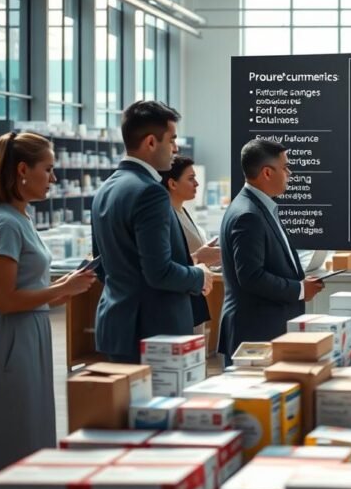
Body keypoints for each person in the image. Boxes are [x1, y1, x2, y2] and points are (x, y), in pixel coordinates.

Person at [0, 131, 97, 472]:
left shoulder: (20, 218)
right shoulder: (3, 223)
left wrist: (64, 288)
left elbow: (26, 288)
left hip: (29, 333)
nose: (54, 178)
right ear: (23, 170)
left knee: (32, 425)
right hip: (11, 339)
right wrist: (58, 289)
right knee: (14, 433)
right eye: (48, 169)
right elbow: (5, 300)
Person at [92, 101, 212, 363]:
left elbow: (100, 267)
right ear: (150, 142)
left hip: (118, 326)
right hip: (154, 333)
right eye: (172, 139)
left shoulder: (105, 189)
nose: (176, 148)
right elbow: (159, 272)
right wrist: (199, 275)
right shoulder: (151, 192)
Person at [218, 139, 325, 364]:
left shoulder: (259, 208)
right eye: (285, 167)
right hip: (256, 333)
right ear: (267, 173)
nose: (290, 173)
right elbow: (251, 277)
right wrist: (298, 289)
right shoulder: (248, 215)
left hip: (265, 328)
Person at [159, 155, 221, 332]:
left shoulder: (183, 211)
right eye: (191, 178)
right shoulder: (166, 216)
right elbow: (167, 264)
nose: (197, 184)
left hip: (193, 295)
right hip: (177, 301)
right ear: (172, 183)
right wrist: (198, 257)